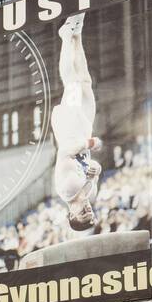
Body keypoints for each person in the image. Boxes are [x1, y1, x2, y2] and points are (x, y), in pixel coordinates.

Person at [48, 13, 103, 232]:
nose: (88, 209)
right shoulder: (91, 193)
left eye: (83, 213)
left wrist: (90, 143)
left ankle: (64, 36)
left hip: (69, 129)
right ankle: (77, 34)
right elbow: (96, 168)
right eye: (91, 212)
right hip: (82, 128)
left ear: (70, 213)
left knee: (72, 82)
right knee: (85, 82)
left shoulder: (67, 189)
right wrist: (96, 171)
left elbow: (65, 152)